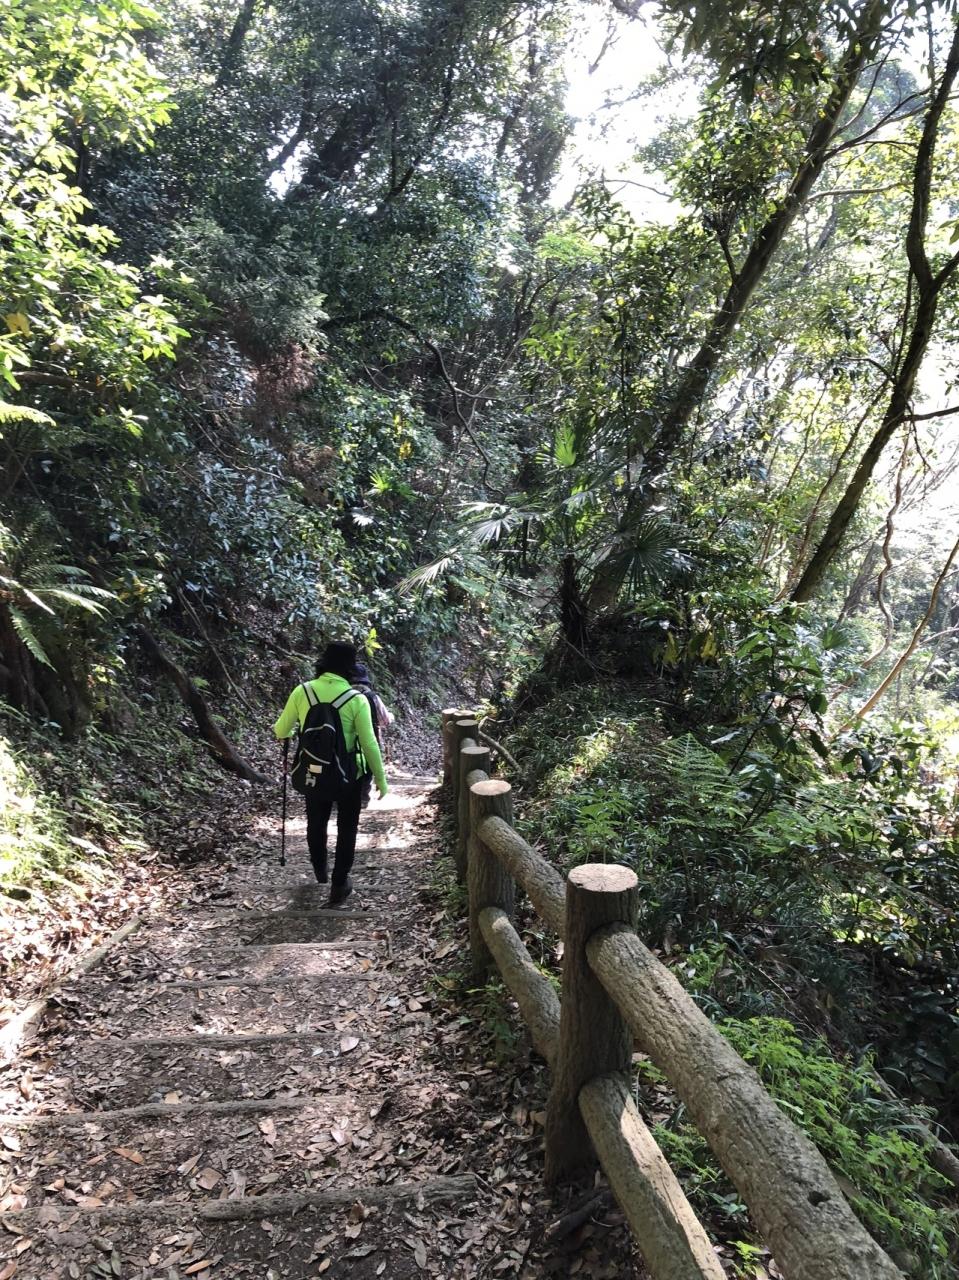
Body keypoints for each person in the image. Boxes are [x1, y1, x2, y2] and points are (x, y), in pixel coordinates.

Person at [274, 641, 388, 905]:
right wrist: (381, 779)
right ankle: (339, 884)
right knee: (347, 827)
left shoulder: (302, 691)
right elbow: (369, 743)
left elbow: (281, 730)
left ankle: (319, 868)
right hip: (349, 774)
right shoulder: (356, 699)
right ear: (350, 667)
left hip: (313, 769)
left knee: (316, 821)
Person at [351, 662, 395, 808]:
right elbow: (384, 719)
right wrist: (391, 716)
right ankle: (363, 797)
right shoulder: (371, 696)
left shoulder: (341, 695)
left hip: (346, 739)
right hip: (370, 737)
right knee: (368, 766)